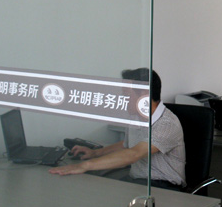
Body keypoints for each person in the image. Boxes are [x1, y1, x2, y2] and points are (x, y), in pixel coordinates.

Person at [49, 68, 186, 190]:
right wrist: (95, 153)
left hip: (163, 187)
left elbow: (134, 154)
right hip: (138, 181)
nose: (123, 99)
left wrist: (84, 166)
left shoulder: (167, 124)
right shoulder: (136, 116)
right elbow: (126, 145)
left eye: (126, 95)